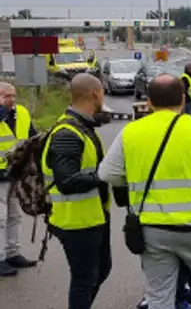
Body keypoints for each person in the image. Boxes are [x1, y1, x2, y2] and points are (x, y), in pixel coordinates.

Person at [99, 74, 191, 309]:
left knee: (159, 293)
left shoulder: (131, 132)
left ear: (149, 102)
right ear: (183, 99)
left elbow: (107, 174)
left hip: (152, 228)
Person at [42, 74, 113, 308]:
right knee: (84, 279)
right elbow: (67, 182)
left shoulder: (82, 126)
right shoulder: (67, 133)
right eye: (102, 92)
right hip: (76, 221)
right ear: (95, 94)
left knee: (101, 270)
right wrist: (105, 173)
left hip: (92, 217)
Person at [0, 82, 37, 276]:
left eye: (13, 95)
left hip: (16, 173)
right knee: (0, 218)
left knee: (15, 215)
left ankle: (13, 253)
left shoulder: (21, 113)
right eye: (6, 96)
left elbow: (32, 137)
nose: (11, 100)